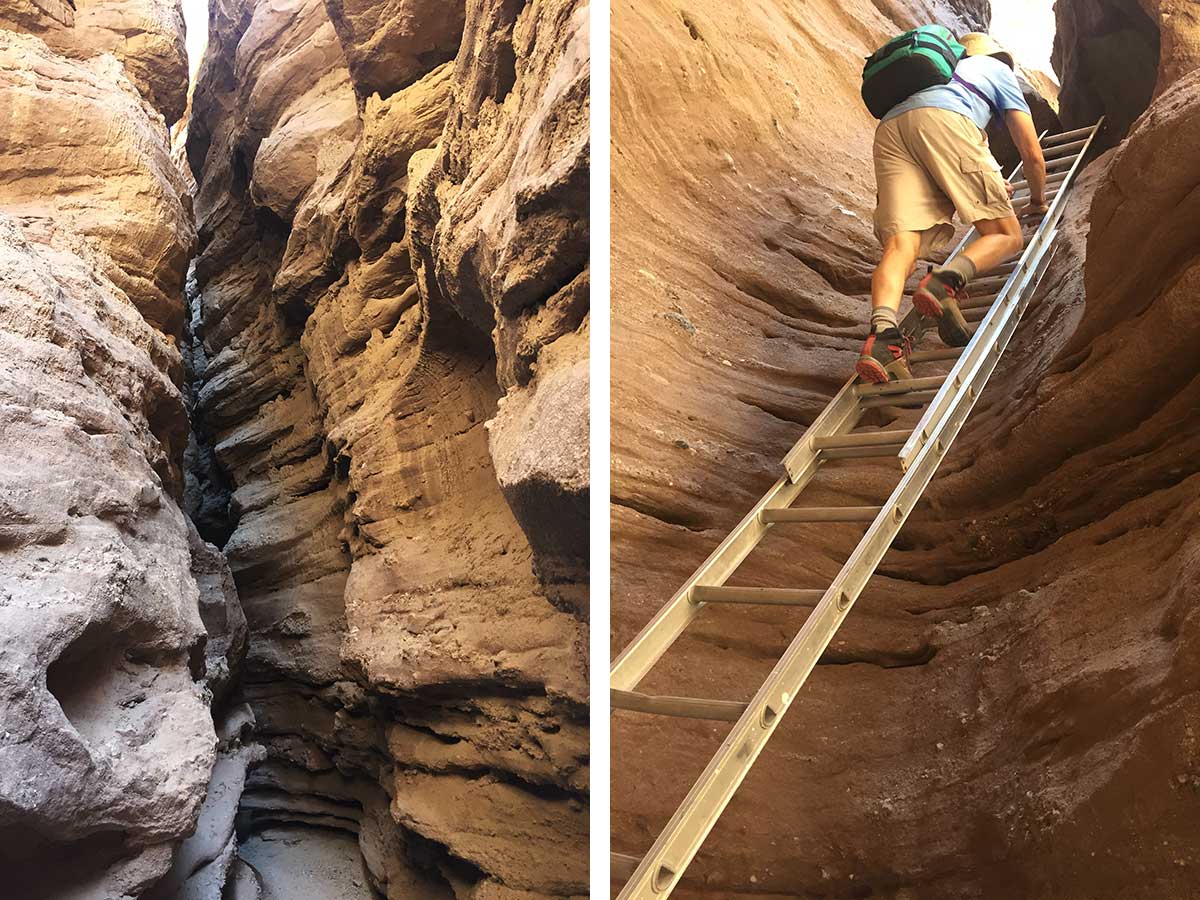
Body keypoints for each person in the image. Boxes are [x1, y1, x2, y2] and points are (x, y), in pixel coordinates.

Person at [856, 32, 1048, 384]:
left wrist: (989, 185)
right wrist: (1037, 201)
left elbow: (943, 151)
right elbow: (1032, 154)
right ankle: (945, 282)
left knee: (902, 246)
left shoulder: (936, 79)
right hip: (945, 123)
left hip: (890, 132)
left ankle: (882, 337)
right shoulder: (997, 70)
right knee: (1006, 236)